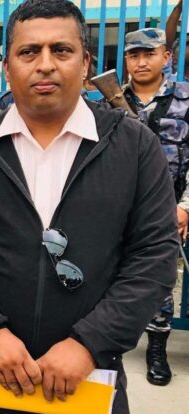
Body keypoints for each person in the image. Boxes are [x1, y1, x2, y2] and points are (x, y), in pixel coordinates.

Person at [0, 0, 177, 414]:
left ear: (85, 64)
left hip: (89, 379)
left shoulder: (134, 147)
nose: (45, 64)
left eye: (61, 50)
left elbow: (154, 256)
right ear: (8, 67)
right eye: (29, 52)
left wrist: (89, 343)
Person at [121, 27, 188, 387]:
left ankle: (157, 348)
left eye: (149, 54)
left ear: (166, 57)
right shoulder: (111, 100)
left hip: (168, 208)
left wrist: (185, 207)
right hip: (119, 207)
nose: (141, 62)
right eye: (134, 55)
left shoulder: (185, 100)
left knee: (161, 277)